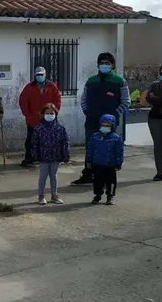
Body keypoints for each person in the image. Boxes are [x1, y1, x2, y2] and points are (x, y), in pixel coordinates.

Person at [72, 53, 130, 185]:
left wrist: (114, 115)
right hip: (92, 120)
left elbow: (126, 101)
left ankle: (105, 177)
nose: (104, 65)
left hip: (109, 123)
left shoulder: (119, 81)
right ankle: (88, 174)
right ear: (98, 65)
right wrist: (87, 112)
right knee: (91, 147)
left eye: (107, 63)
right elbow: (83, 99)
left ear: (112, 65)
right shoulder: (91, 81)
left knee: (108, 148)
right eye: (102, 63)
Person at [18, 66, 61, 167]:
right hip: (33, 118)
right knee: (31, 139)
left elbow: (57, 100)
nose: (40, 76)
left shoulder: (52, 86)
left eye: (41, 75)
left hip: (49, 118)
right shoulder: (29, 87)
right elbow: (23, 101)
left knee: (50, 139)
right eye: (38, 75)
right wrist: (28, 114)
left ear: (45, 75)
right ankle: (30, 158)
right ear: (35, 75)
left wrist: (53, 113)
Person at [30, 103, 70, 205]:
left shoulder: (60, 128)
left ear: (55, 114)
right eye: (47, 113)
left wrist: (65, 155)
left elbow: (65, 142)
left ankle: (54, 195)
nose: (50, 115)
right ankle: (41, 196)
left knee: (54, 176)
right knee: (43, 176)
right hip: (43, 157)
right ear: (43, 114)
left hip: (56, 156)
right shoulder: (38, 128)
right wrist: (34, 155)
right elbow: (34, 143)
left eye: (52, 113)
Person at [85, 114, 124, 205]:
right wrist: (89, 161)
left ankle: (110, 196)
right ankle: (98, 195)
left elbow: (119, 151)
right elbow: (90, 149)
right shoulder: (95, 136)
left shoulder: (116, 138)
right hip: (98, 163)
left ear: (112, 126)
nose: (105, 127)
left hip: (110, 164)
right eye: (103, 125)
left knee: (110, 181)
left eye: (108, 125)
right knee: (98, 181)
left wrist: (119, 163)